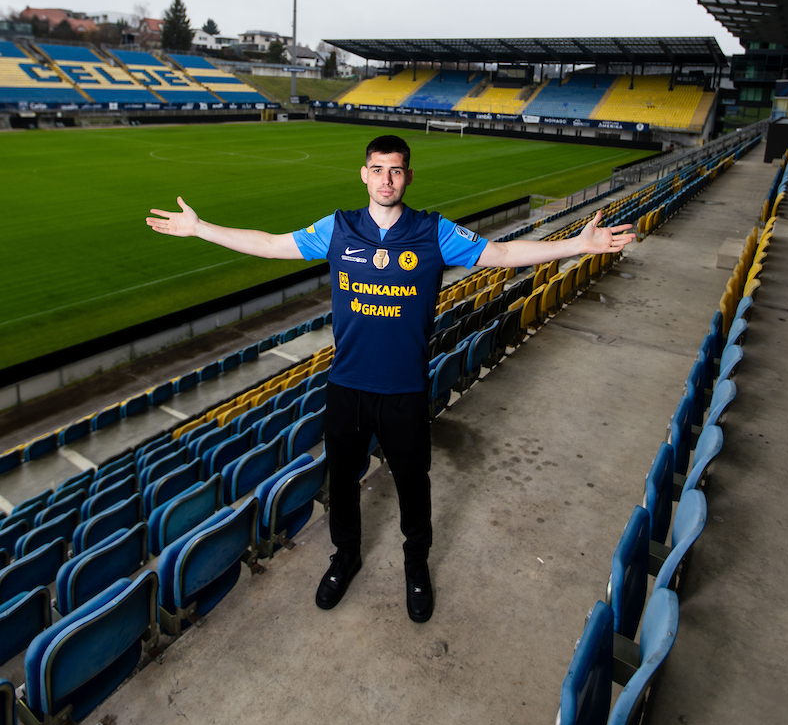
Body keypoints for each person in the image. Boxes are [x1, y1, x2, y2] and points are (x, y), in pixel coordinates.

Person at [146, 133, 635, 622]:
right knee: (342, 483)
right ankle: (345, 557)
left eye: (396, 170)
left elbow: (502, 254)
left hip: (404, 390)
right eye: (378, 170)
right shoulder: (338, 228)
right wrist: (200, 228)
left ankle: (416, 565)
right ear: (364, 175)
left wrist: (579, 244)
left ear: (408, 177)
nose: (386, 179)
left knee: (412, 485)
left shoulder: (433, 231)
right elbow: (272, 246)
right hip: (347, 386)